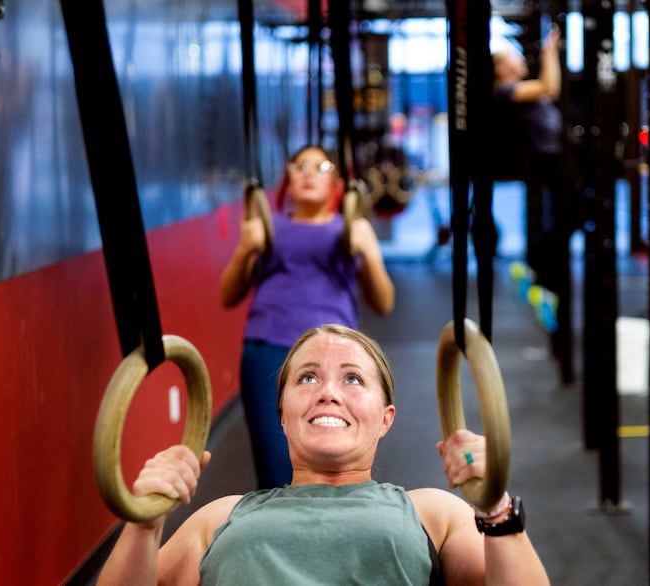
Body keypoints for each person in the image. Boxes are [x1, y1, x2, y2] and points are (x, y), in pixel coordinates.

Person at [97, 324, 550, 585]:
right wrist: (144, 523)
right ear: (282, 415)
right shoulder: (220, 518)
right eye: (308, 378)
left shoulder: (432, 512)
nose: (328, 393)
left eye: (353, 379)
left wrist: (495, 507)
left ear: (385, 418)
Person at [219, 145, 395, 489]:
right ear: (289, 178)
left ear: (336, 183)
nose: (309, 172)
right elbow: (228, 296)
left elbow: (383, 302)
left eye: (321, 165)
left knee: (337, 458)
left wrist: (370, 252)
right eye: (300, 166)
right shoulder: (267, 229)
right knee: (275, 465)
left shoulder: (350, 230)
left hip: (334, 353)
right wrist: (244, 248)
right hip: (268, 346)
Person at [492, 27, 575, 385]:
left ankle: (544, 273)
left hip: (557, 167)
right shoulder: (505, 91)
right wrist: (549, 51)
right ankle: (541, 273)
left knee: (565, 227)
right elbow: (549, 87)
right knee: (552, 234)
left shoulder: (515, 89)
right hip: (545, 169)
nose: (518, 60)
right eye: (512, 57)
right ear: (500, 68)